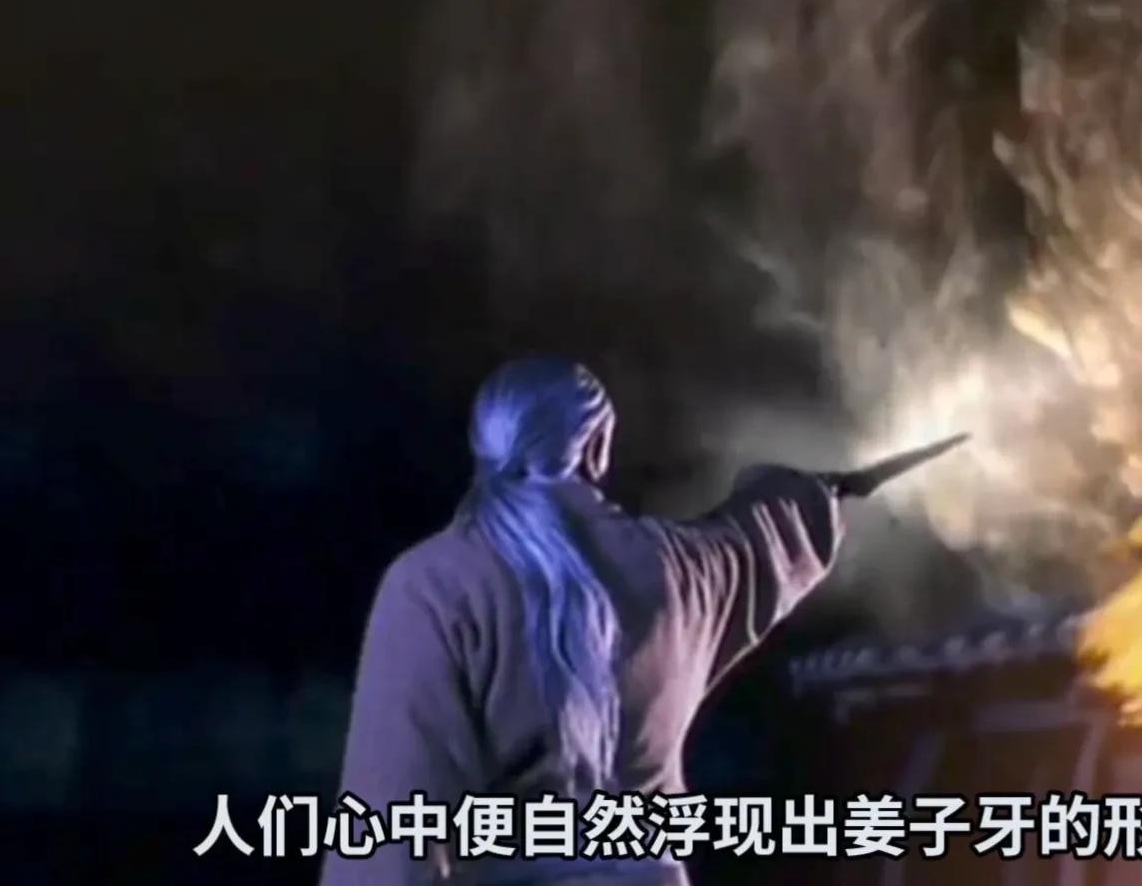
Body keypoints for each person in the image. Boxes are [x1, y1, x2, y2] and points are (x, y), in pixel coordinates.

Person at [321, 357, 845, 885]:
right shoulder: (679, 571)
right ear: (596, 447)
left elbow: (389, 827)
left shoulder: (435, 583)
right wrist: (819, 494)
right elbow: (766, 533)